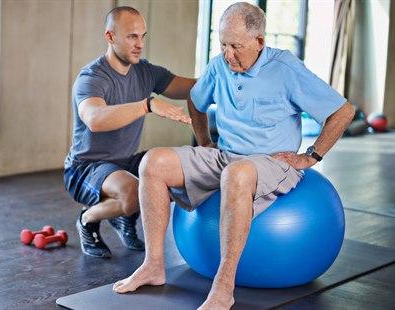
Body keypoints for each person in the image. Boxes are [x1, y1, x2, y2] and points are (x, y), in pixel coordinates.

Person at [113, 2, 355, 309]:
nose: (228, 54)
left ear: (259, 42)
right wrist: (204, 142)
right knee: (153, 163)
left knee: (237, 174)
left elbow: (343, 111)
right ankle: (153, 265)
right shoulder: (219, 65)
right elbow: (197, 100)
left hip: (271, 161)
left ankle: (224, 286)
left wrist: (312, 155)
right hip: (226, 155)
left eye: (236, 46)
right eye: (223, 44)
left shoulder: (286, 69)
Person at [64, 6, 195, 259]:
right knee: (135, 192)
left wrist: (227, 74)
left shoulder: (145, 72)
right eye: (132, 37)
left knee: (170, 172)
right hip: (85, 168)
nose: (140, 44)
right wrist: (147, 104)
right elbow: (95, 119)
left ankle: (125, 212)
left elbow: (190, 88)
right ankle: (87, 218)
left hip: (123, 162)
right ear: (110, 37)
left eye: (143, 36)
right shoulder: (92, 78)